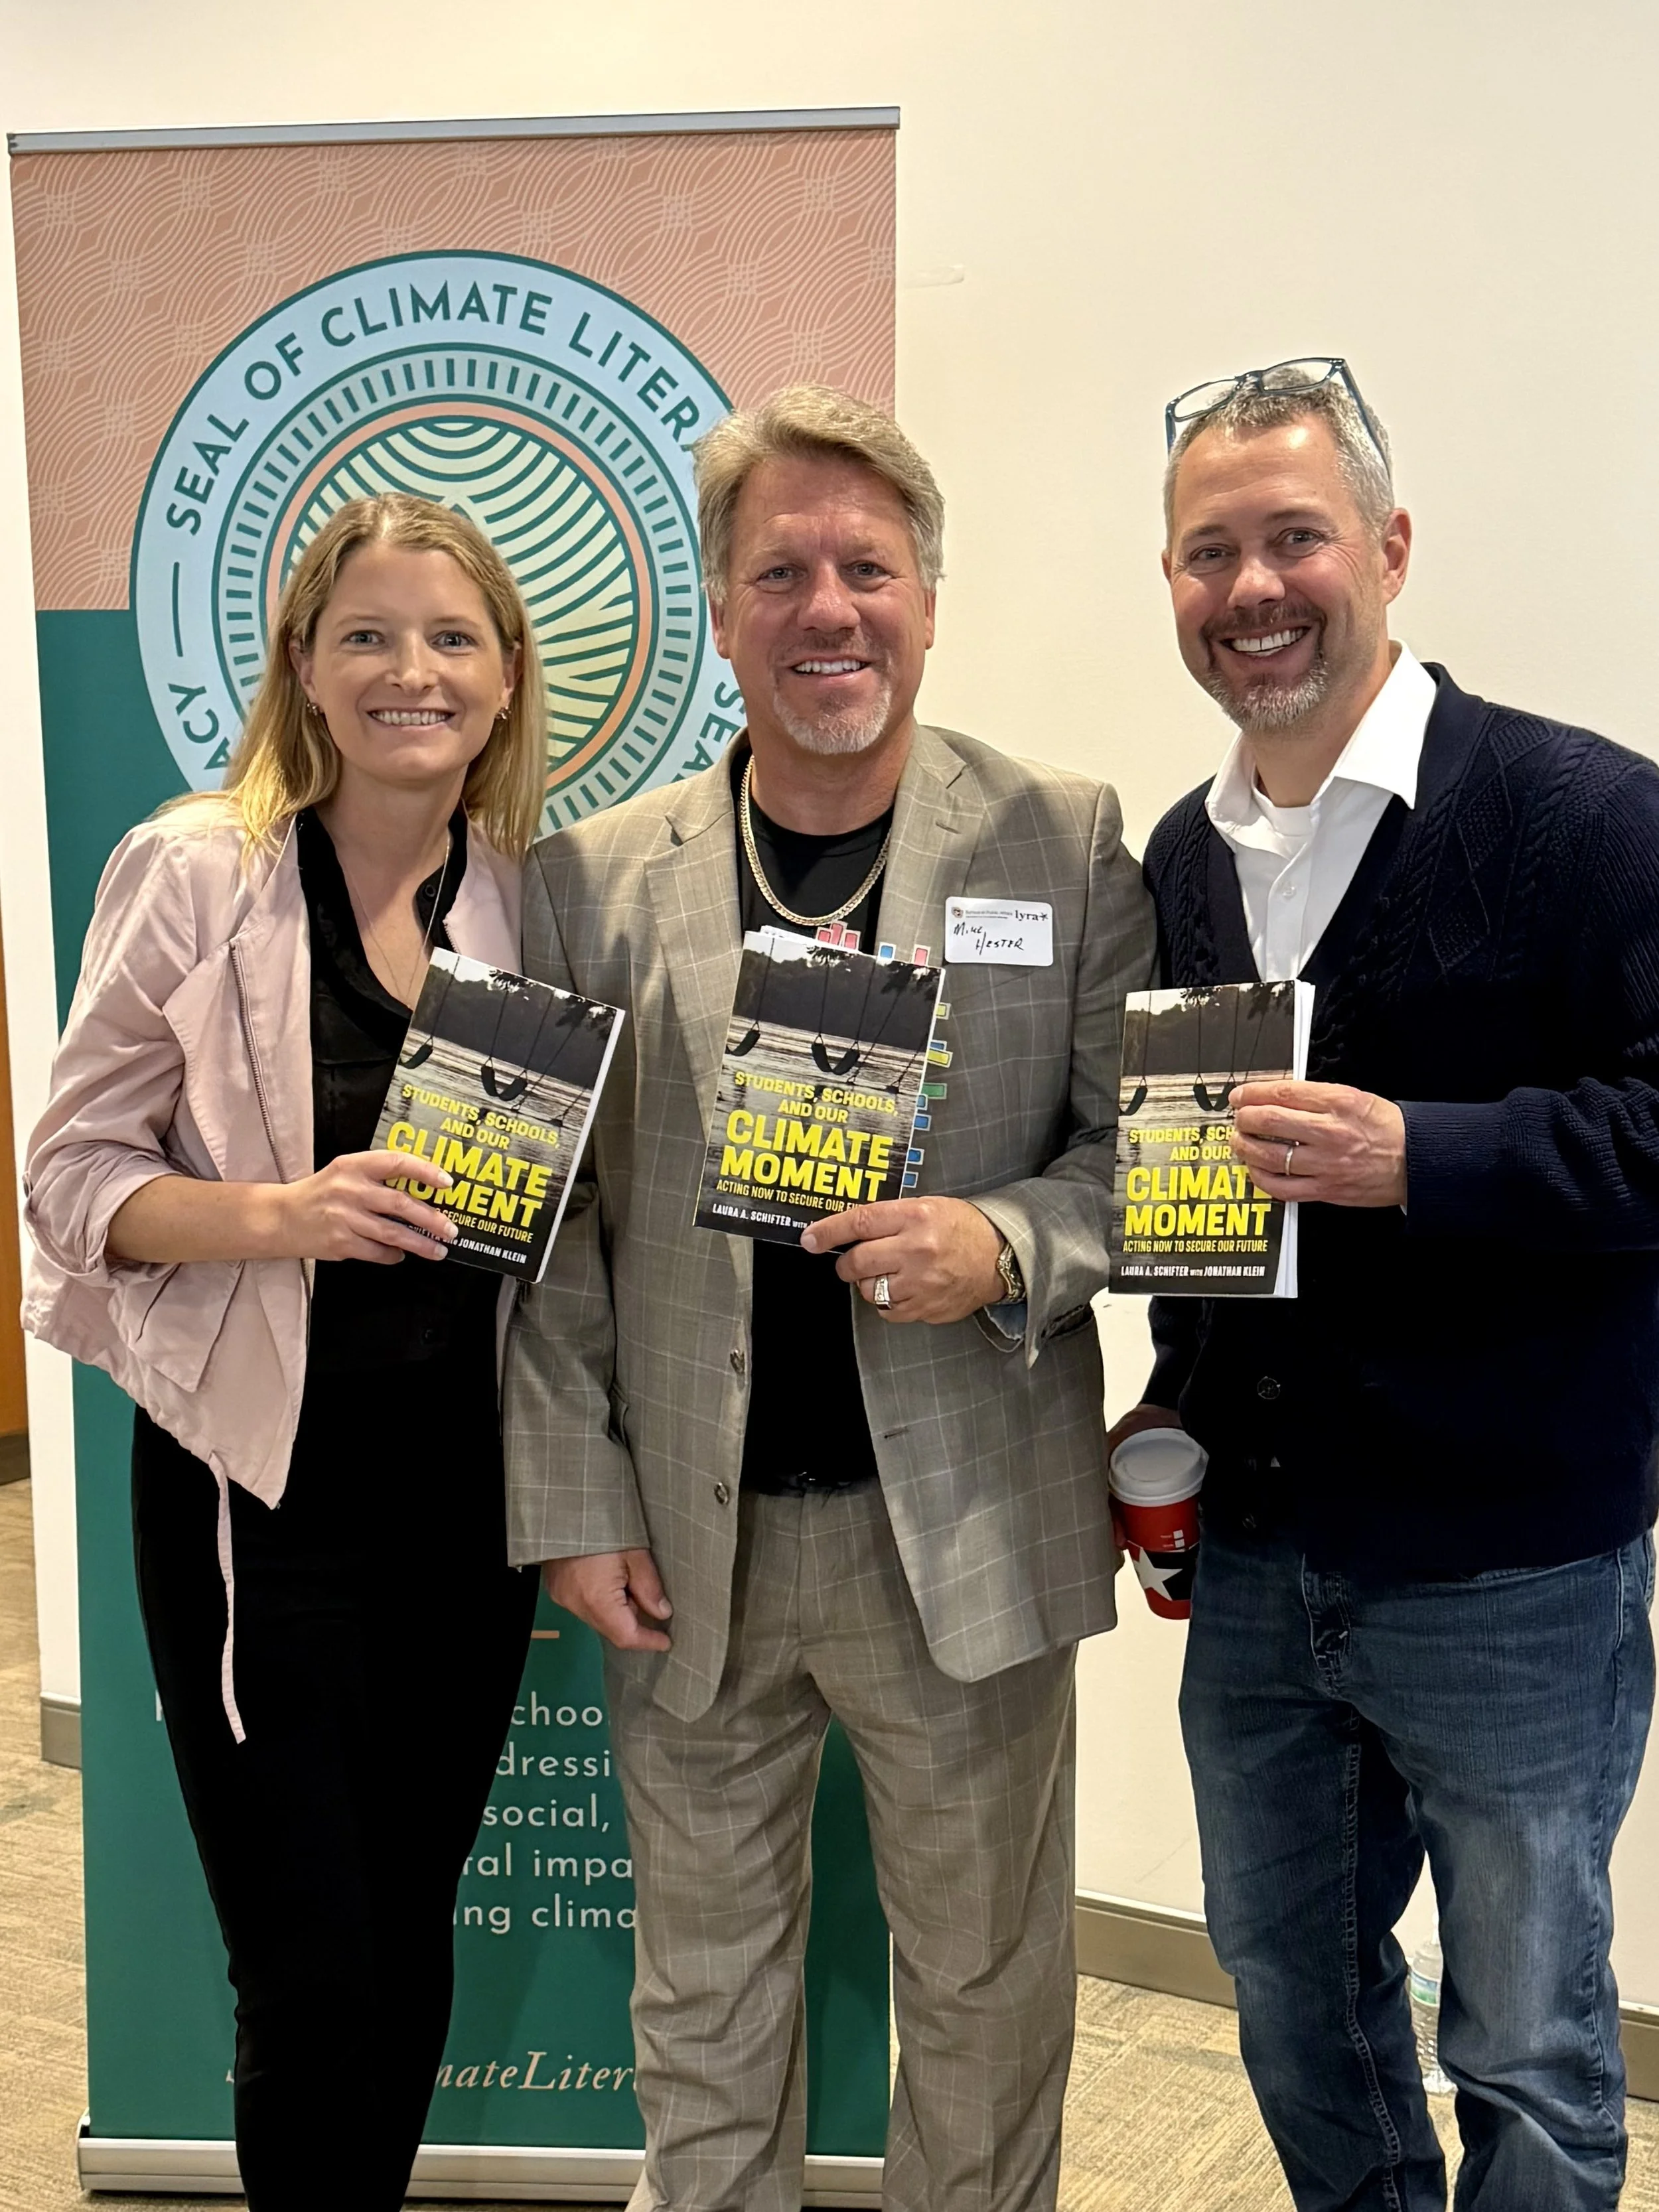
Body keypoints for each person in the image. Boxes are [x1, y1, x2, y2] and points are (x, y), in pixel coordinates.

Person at [505, 385, 1155, 2212]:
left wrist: (1003, 1245)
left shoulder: (1061, 838)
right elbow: (547, 1232)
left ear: (928, 601)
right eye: (779, 570)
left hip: (957, 1530)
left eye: (867, 566)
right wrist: (570, 1503)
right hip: (685, 1551)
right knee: (703, 2004)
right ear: (720, 611)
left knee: (982, 1991)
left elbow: (1135, 1158)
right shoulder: (594, 877)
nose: (827, 608)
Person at [1113, 357, 1659, 2211]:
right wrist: (1174, 1393)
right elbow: (1203, 1181)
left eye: (1294, 539)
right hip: (1259, 1561)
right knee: (1286, 2004)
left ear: (1389, 548)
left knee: (1524, 2042)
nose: (1252, 589)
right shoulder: (1179, 861)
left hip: (1510, 1567)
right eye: (1209, 553)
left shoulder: (1583, 815)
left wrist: (1422, 1155)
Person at [23, 493, 545, 2211]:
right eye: (372, 635)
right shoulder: (199, 871)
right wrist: (284, 1213)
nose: (414, 670)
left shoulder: (531, 900)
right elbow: (72, 1179)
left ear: (502, 672)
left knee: (405, 1931)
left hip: (469, 1507)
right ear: (305, 669)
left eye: (451, 636)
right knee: (308, 1963)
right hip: (263, 1501)